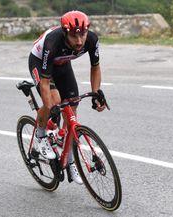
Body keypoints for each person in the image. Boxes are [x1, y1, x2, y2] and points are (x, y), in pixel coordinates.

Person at [28, 10, 107, 184]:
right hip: (40, 63)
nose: (79, 41)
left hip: (63, 65)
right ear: (65, 33)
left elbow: (95, 67)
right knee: (53, 103)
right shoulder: (52, 42)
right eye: (73, 36)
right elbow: (46, 81)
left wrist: (96, 93)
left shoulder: (92, 40)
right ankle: (41, 135)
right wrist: (51, 106)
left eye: (82, 35)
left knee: (72, 110)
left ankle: (69, 160)